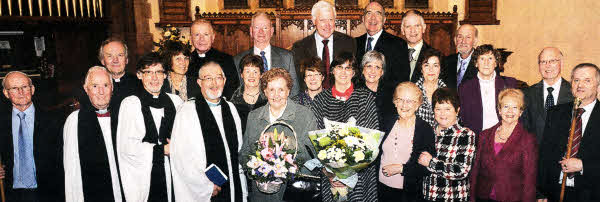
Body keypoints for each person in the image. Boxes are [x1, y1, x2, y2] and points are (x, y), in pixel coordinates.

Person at [170, 61, 247, 201]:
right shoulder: (187, 111)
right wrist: (205, 186)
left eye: (218, 78)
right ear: (199, 82)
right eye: (208, 78)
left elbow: (237, 153)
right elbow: (181, 156)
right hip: (204, 190)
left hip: (233, 188)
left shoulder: (231, 108)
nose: (214, 83)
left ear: (224, 81)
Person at [239, 68, 317, 201]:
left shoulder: (305, 115)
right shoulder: (254, 116)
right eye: (271, 90)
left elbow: (314, 154)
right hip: (262, 194)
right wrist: (257, 170)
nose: (276, 95)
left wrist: (288, 143)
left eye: (281, 89)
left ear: (288, 91)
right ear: (265, 92)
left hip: (294, 193)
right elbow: (244, 154)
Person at [310, 52, 379, 202]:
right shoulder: (321, 100)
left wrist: (349, 173)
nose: (343, 72)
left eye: (348, 68)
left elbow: (372, 141)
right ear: (332, 71)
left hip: (361, 175)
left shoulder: (365, 98)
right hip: (330, 177)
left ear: (354, 73)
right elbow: (314, 142)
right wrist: (330, 174)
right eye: (339, 67)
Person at [116, 52, 183, 202]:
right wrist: (161, 150)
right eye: (148, 72)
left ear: (165, 75)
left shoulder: (176, 102)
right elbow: (127, 147)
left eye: (159, 72)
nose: (154, 78)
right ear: (139, 75)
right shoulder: (131, 104)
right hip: (147, 177)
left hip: (176, 176)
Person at [538, 63, 600, 202]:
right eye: (576, 80)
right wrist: (541, 192)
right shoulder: (555, 113)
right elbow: (545, 155)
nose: (580, 85)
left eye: (587, 80)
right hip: (555, 192)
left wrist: (583, 165)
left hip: (591, 193)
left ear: (598, 86)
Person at [0, 71, 64, 201]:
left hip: (48, 193)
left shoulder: (54, 120)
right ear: (6, 93)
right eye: (14, 88)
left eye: (24, 87)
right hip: (12, 194)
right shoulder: (1, 123)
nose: (21, 92)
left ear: (32, 89)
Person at [63, 66, 124, 201]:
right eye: (95, 86)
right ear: (86, 89)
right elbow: (72, 169)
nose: (101, 92)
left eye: (106, 85)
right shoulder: (75, 121)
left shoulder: (123, 117)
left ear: (112, 88)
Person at [470, 88, 537, 202]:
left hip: (511, 198)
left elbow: (529, 179)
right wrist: (472, 198)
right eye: (506, 107)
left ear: (520, 112)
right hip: (483, 197)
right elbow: (476, 170)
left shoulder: (528, 140)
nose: (510, 111)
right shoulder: (484, 135)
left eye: (515, 107)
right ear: (499, 110)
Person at [378, 82, 435, 202]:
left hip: (408, 193)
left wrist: (401, 169)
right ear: (394, 101)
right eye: (400, 99)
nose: (404, 105)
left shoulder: (425, 129)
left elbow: (427, 167)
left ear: (418, 104)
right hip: (381, 189)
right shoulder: (386, 122)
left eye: (410, 101)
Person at [418, 87, 476, 202]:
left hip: (453, 197)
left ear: (457, 110)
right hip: (427, 196)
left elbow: (461, 171)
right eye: (438, 109)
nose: (442, 113)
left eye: (448, 109)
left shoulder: (466, 134)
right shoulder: (428, 132)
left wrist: (431, 163)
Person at [355, 2, 410, 111]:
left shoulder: (398, 44)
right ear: (363, 18)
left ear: (384, 19)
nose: (373, 18)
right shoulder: (355, 43)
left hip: (386, 107)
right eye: (369, 13)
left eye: (378, 13)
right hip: (358, 105)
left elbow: (402, 79)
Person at [291, 0, 356, 90]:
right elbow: (298, 80)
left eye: (330, 20)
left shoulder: (349, 43)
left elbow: (354, 74)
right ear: (314, 21)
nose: (327, 25)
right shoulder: (300, 47)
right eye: (322, 20)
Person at [233, 12, 299, 96]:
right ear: (251, 31)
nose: (261, 32)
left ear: (271, 31)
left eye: (265, 28)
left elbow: (294, 91)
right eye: (257, 27)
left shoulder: (287, 57)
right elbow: (236, 92)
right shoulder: (238, 60)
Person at [458, 44, 518, 135]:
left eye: (490, 58)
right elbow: (463, 118)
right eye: (482, 59)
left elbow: (518, 114)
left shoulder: (509, 84)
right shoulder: (465, 87)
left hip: (504, 136)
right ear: (476, 63)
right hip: (476, 138)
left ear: (496, 63)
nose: (486, 63)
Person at [521, 47, 574, 144]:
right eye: (543, 62)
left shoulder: (574, 93)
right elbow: (524, 129)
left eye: (552, 61)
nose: (547, 66)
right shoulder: (528, 94)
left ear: (561, 63)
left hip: (565, 156)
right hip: (535, 155)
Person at [188, 19, 240, 98]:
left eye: (206, 34)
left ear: (213, 37)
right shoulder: (186, 61)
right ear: (191, 38)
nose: (201, 39)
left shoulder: (226, 60)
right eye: (197, 35)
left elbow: (233, 90)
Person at [98, 38, 139, 114]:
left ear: (126, 59)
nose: (115, 60)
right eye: (110, 56)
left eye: (120, 55)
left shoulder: (140, 84)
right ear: (103, 61)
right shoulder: (96, 88)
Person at [230, 54, 268, 133]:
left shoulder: (269, 98)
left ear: (261, 74)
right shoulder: (232, 100)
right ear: (241, 74)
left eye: (255, 72)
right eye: (247, 71)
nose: (251, 76)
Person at [401, 10, 437, 82]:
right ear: (402, 30)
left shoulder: (434, 55)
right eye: (408, 26)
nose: (412, 30)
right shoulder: (394, 53)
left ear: (424, 28)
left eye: (417, 26)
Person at [415, 49, 447, 127]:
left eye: (435, 65)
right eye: (426, 65)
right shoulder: (412, 91)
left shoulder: (448, 92)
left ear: (440, 69)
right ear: (421, 69)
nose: (431, 69)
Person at [442, 24, 479, 89]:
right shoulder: (446, 61)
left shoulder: (483, 62)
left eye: (468, 37)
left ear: (475, 41)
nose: (463, 41)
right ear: (455, 40)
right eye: (460, 37)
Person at [359, 50, 386, 124]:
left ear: (382, 72)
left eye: (377, 67)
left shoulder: (389, 94)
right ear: (363, 70)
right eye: (369, 66)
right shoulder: (355, 92)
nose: (372, 71)